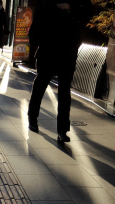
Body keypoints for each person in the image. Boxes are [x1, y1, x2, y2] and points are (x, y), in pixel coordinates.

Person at [26, 0, 91, 142]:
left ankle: (62, 130)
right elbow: (38, 23)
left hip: (68, 50)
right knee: (40, 84)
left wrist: (69, 7)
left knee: (64, 90)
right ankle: (32, 117)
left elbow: (87, 13)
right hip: (48, 49)